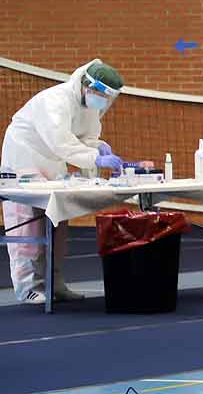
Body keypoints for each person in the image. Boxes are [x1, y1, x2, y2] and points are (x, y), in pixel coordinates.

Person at [1, 60, 124, 304]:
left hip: (53, 161)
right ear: (88, 87)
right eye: (102, 95)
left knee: (57, 219)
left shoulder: (90, 105)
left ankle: (55, 284)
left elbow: (85, 138)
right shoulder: (55, 101)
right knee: (27, 223)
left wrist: (98, 147)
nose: (104, 102)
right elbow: (62, 142)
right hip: (24, 158)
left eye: (108, 97)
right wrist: (95, 159)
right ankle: (27, 288)